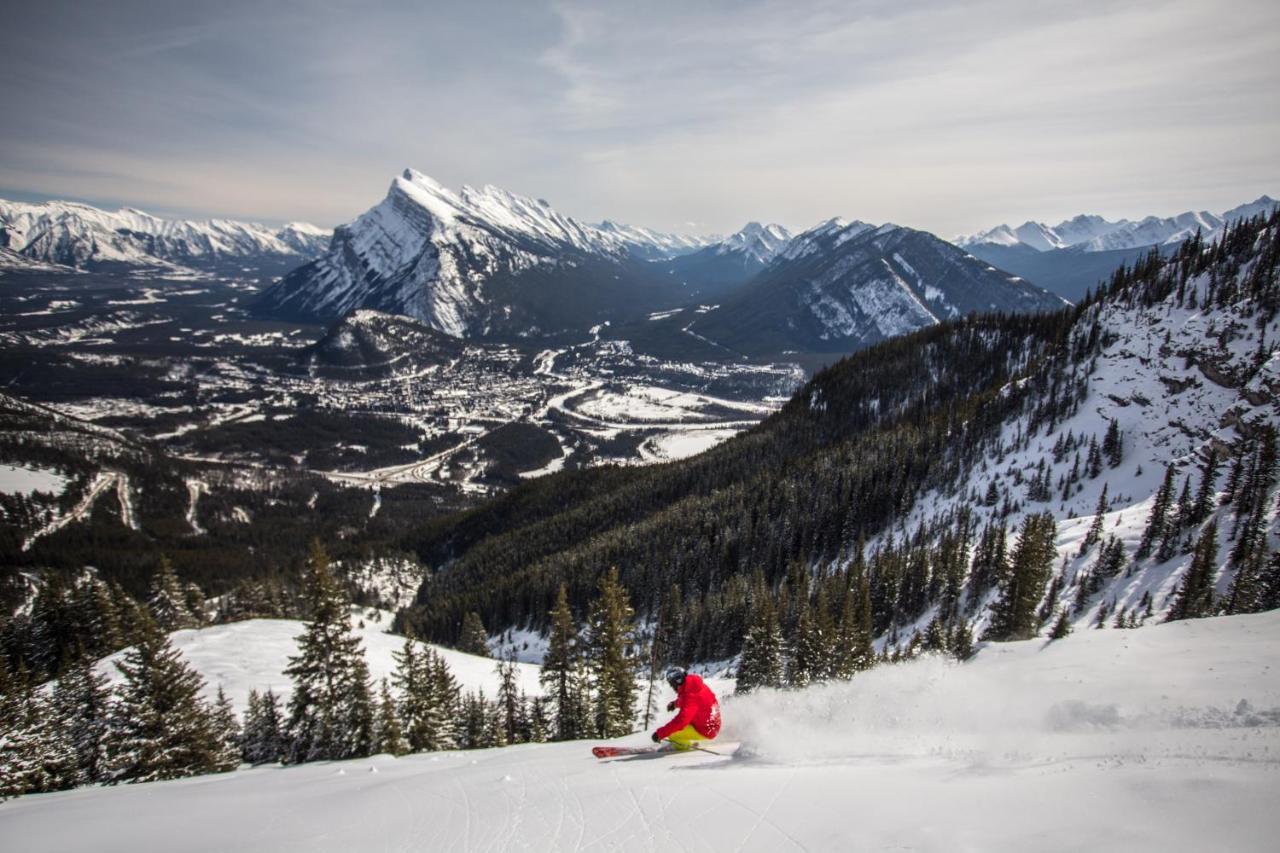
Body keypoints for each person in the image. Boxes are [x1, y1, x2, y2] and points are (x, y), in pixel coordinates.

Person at [653, 667, 721, 750]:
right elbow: (687, 700)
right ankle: (687, 743)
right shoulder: (694, 685)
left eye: (672, 683)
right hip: (710, 725)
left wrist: (660, 734)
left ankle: (683, 749)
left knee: (673, 734)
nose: (672, 686)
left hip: (706, 730)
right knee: (675, 728)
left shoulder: (690, 697)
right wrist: (675, 704)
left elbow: (681, 721)